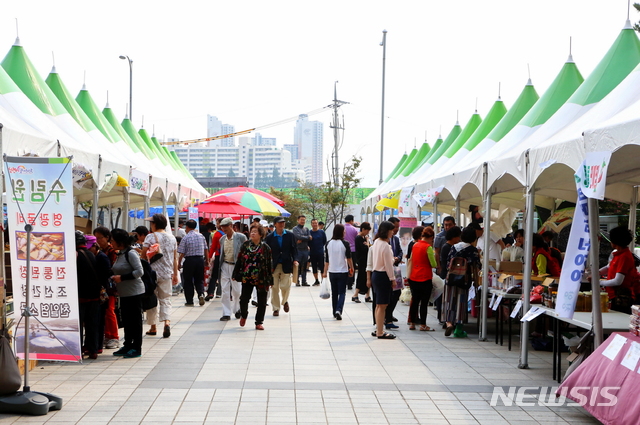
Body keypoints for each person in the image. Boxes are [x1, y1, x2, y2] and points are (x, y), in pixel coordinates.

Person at [142, 214, 178, 338]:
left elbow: (143, 255)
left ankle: (153, 327)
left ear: (155, 224)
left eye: (151, 223)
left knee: (152, 299)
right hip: (167, 273)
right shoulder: (172, 238)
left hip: (152, 273)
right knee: (166, 299)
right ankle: (166, 322)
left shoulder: (150, 236)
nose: (150, 225)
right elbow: (175, 258)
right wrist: (175, 274)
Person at [110, 228, 145, 358]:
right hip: (124, 293)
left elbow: (139, 272)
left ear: (120, 241)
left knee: (135, 321)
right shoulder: (120, 253)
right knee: (127, 320)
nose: (111, 243)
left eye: (112, 240)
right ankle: (128, 345)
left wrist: (122, 278)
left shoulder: (131, 253)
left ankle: (137, 347)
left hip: (134, 292)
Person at [443, 226, 482, 338]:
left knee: (450, 301)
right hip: (464, 281)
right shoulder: (472, 250)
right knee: (461, 303)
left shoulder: (454, 247)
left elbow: (447, 263)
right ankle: (458, 330)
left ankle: (449, 323)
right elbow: (477, 267)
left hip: (450, 279)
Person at [233, 225, 274, 330]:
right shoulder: (245, 245)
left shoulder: (266, 248)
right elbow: (239, 260)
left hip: (261, 277)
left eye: (255, 232)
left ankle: (259, 322)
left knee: (262, 301)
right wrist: (235, 273)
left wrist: (270, 280)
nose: (253, 233)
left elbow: (270, 265)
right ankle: (244, 315)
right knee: (244, 299)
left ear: (260, 234)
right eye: (252, 231)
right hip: (247, 276)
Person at [366, 221, 397, 339]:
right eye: (391, 230)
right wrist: (392, 279)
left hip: (376, 274)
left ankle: (378, 328)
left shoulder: (376, 242)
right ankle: (380, 331)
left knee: (378, 305)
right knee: (383, 305)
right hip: (383, 275)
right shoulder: (385, 246)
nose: (392, 232)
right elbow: (388, 265)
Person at [599, 226, 640, 313]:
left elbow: (618, 281)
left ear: (614, 241)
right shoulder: (618, 254)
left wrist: (598, 282)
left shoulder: (624, 257)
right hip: (613, 296)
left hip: (620, 298)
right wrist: (597, 272)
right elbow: (608, 267)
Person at [265, 216, 298, 316]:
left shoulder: (290, 235)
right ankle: (276, 308)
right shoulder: (270, 237)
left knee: (285, 286)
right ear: (275, 224)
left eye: (283, 222)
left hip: (286, 263)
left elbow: (294, 249)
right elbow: (266, 251)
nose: (282, 224)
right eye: (279, 223)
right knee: (274, 287)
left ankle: (284, 301)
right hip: (273, 265)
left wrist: (295, 260)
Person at [75, 231, 101, 359]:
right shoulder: (92, 255)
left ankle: (78, 350)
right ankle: (93, 350)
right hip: (94, 295)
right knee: (92, 324)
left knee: (78, 324)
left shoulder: (75, 255)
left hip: (80, 296)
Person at [93, 226, 119, 350]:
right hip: (102, 286)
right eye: (96, 238)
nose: (98, 240)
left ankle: (114, 337)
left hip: (110, 287)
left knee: (110, 310)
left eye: (100, 238)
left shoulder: (112, 251)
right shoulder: (99, 251)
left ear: (107, 237)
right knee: (103, 312)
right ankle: (107, 335)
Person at [86, 235, 113, 354]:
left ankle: (98, 346)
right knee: (94, 320)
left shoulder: (102, 257)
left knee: (100, 319)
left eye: (89, 248)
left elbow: (106, 274)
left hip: (102, 293)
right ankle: (93, 345)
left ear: (94, 246)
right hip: (95, 292)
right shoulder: (94, 256)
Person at [407, 226, 437, 331]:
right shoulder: (428, 248)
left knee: (415, 300)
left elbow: (411, 259)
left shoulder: (415, 245)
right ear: (431, 237)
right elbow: (433, 264)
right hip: (425, 278)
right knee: (424, 302)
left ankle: (412, 323)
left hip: (414, 276)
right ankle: (423, 324)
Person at [323, 224, 354, 320]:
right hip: (342, 271)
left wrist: (324, 272)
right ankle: (339, 310)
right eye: (344, 230)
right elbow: (349, 258)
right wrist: (352, 268)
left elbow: (327, 260)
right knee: (342, 292)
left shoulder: (328, 243)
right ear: (341, 232)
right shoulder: (345, 243)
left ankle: (334, 311)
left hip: (332, 271)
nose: (345, 232)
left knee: (334, 293)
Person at [218, 217, 248, 321]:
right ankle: (226, 313)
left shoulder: (241, 237)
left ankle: (237, 309)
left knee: (237, 291)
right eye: (222, 227)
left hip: (237, 267)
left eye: (226, 226)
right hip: (225, 266)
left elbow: (246, 251)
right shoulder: (222, 239)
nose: (224, 229)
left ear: (231, 226)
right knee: (225, 291)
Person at [177, 219, 208, 311]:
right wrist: (207, 260)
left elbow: (181, 253)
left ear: (187, 227)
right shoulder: (201, 236)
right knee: (199, 279)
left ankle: (190, 300)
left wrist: (178, 263)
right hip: (200, 259)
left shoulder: (186, 238)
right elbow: (206, 249)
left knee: (188, 280)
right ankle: (201, 294)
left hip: (189, 260)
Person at [385, 216, 403, 329]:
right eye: (395, 227)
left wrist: (398, 258)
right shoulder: (383, 241)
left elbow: (400, 251)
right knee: (388, 295)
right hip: (387, 271)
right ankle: (386, 316)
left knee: (397, 293)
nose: (397, 230)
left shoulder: (396, 239)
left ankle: (389, 313)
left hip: (396, 269)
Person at [206, 218, 224, 301]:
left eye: (217, 223)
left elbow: (213, 247)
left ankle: (211, 292)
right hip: (227, 257)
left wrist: (209, 258)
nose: (216, 225)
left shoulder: (217, 234)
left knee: (214, 276)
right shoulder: (230, 234)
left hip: (218, 256)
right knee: (225, 276)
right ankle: (220, 293)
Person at [354, 222, 372, 303]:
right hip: (362, 260)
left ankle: (367, 295)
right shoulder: (358, 238)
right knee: (361, 277)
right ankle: (355, 294)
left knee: (367, 277)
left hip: (366, 260)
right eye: (367, 231)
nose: (368, 233)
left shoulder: (363, 237)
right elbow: (365, 249)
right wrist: (367, 243)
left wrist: (367, 244)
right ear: (363, 229)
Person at [292, 215, 311, 286]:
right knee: (298, 266)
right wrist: (306, 237)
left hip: (305, 249)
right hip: (298, 250)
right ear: (298, 220)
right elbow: (298, 236)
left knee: (305, 266)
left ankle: (304, 281)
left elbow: (310, 237)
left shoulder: (306, 229)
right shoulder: (295, 229)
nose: (303, 221)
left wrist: (303, 238)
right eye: (301, 220)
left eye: (304, 220)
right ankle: (297, 281)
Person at [309, 219, 327, 286]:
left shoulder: (321, 232)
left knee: (322, 266)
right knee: (314, 267)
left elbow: (324, 241)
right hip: (312, 252)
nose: (314, 224)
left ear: (317, 224)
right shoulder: (309, 232)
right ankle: (316, 280)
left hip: (320, 252)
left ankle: (323, 280)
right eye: (313, 223)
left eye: (315, 223)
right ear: (311, 224)